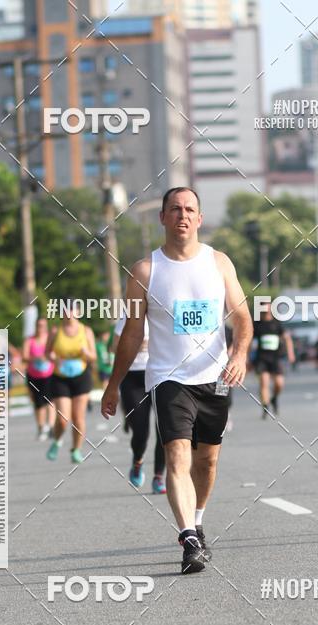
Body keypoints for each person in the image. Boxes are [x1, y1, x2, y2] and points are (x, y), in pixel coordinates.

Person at [101, 186, 253, 574]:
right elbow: (132, 333)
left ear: (199, 219)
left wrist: (238, 354)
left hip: (215, 376)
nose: (182, 216)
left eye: (189, 210)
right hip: (169, 377)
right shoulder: (145, 271)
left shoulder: (219, 263)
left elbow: (242, 319)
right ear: (163, 218)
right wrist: (114, 383)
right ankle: (187, 537)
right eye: (174, 209)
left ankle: (197, 519)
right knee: (177, 454)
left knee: (209, 460)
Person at [112, 312, 166, 493]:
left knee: (165, 430)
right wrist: (134, 345)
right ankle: (137, 460)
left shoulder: (163, 314)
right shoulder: (128, 317)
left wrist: (149, 344)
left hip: (160, 375)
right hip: (133, 378)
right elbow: (114, 347)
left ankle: (159, 476)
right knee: (141, 431)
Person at [46, 302, 96, 464]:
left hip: (81, 377)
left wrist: (86, 353)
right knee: (62, 418)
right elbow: (47, 352)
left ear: (78, 312)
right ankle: (57, 441)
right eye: (65, 310)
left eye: (72, 310)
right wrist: (53, 357)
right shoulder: (55, 331)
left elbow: (94, 357)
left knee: (78, 418)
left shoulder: (86, 331)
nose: (69, 313)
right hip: (60, 378)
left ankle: (76, 449)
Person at [253, 304, 295, 417]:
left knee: (279, 383)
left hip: (275, 358)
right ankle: (265, 406)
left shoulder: (277, 324)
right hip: (262, 358)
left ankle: (274, 398)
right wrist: (245, 357)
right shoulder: (257, 324)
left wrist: (291, 353)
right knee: (264, 382)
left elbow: (287, 338)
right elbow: (248, 341)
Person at [23, 316, 55, 440]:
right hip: (34, 375)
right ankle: (41, 427)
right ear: (35, 326)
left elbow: (56, 352)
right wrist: (36, 358)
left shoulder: (50, 338)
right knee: (38, 403)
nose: (41, 328)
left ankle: (51, 426)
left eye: (43, 325)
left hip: (50, 375)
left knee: (50, 400)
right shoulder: (29, 340)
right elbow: (24, 357)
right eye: (39, 325)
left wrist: (50, 356)